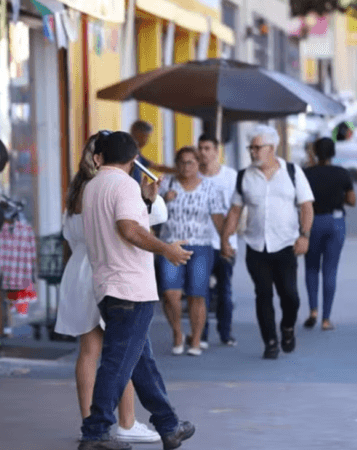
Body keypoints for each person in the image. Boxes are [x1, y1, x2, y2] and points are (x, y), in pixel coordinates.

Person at [79, 131, 195, 450]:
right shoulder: (125, 185)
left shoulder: (93, 186)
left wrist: (144, 200)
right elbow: (128, 229)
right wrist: (166, 249)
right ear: (133, 161)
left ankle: (168, 425)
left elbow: (119, 223)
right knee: (118, 362)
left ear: (99, 157)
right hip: (130, 287)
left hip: (108, 285)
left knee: (141, 362)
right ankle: (96, 431)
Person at [55, 133, 160, 444]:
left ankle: (89, 421)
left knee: (89, 352)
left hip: (77, 271)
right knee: (121, 351)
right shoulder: (116, 185)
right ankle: (125, 422)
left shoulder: (79, 189)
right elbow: (128, 230)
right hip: (109, 269)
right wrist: (147, 201)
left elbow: (69, 235)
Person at [221, 125, 315, 360]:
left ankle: (288, 328)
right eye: (250, 147)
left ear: (271, 148)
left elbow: (306, 206)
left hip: (286, 244)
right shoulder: (245, 176)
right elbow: (234, 211)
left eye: (257, 147)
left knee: (290, 296)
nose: (253, 152)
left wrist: (305, 235)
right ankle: (270, 342)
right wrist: (225, 239)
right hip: (256, 246)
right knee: (263, 294)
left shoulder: (292, 172)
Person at [158, 146, 226, 356]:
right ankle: (178, 332)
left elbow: (217, 218)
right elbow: (150, 213)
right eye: (182, 162)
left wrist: (225, 243)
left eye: (191, 162)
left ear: (198, 164)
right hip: (170, 245)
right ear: (176, 164)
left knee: (197, 295)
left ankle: (195, 339)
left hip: (200, 246)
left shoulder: (210, 188)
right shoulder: (166, 185)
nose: (186, 167)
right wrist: (162, 200)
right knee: (170, 294)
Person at [302, 138, 356, 331]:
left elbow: (299, 200)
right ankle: (326, 318)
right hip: (335, 222)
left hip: (313, 221)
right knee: (330, 269)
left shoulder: (306, 174)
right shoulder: (342, 173)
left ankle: (313, 311)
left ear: (315, 153)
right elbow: (352, 201)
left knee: (311, 268)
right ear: (333, 153)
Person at [197, 134, 238, 347]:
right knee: (200, 290)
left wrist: (229, 238)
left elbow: (238, 208)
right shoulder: (193, 176)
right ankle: (201, 334)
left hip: (225, 242)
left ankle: (225, 333)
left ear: (216, 150)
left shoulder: (231, 177)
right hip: (200, 242)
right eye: (200, 148)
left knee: (225, 290)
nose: (203, 152)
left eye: (207, 148)